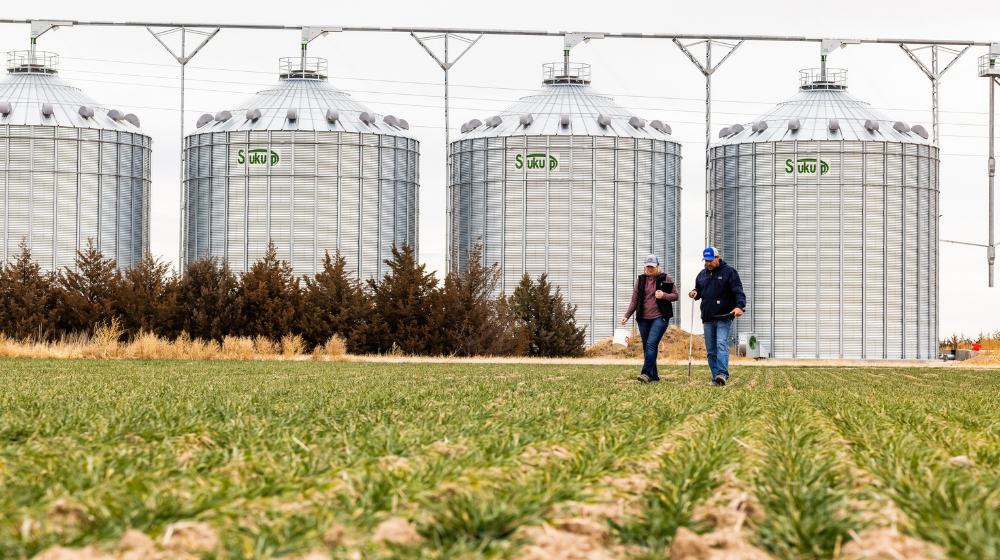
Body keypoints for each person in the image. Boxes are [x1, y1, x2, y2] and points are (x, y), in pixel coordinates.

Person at [688, 247, 745, 386]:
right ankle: (716, 379)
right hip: (707, 317)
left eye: (710, 260)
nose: (708, 263)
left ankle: (722, 374)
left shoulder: (729, 272)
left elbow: (738, 292)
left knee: (721, 344)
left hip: (724, 315)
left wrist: (739, 306)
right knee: (711, 351)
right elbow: (699, 290)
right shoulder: (702, 274)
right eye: (706, 261)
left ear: (717, 257)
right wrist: (694, 292)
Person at [621, 254, 679, 383]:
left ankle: (646, 374)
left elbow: (675, 296)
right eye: (647, 266)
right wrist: (626, 315)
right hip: (643, 318)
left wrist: (664, 295)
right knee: (647, 348)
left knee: (651, 344)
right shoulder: (640, 280)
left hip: (660, 317)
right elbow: (634, 300)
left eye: (652, 266)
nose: (650, 269)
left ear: (657, 266)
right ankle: (655, 378)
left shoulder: (666, 278)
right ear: (645, 266)